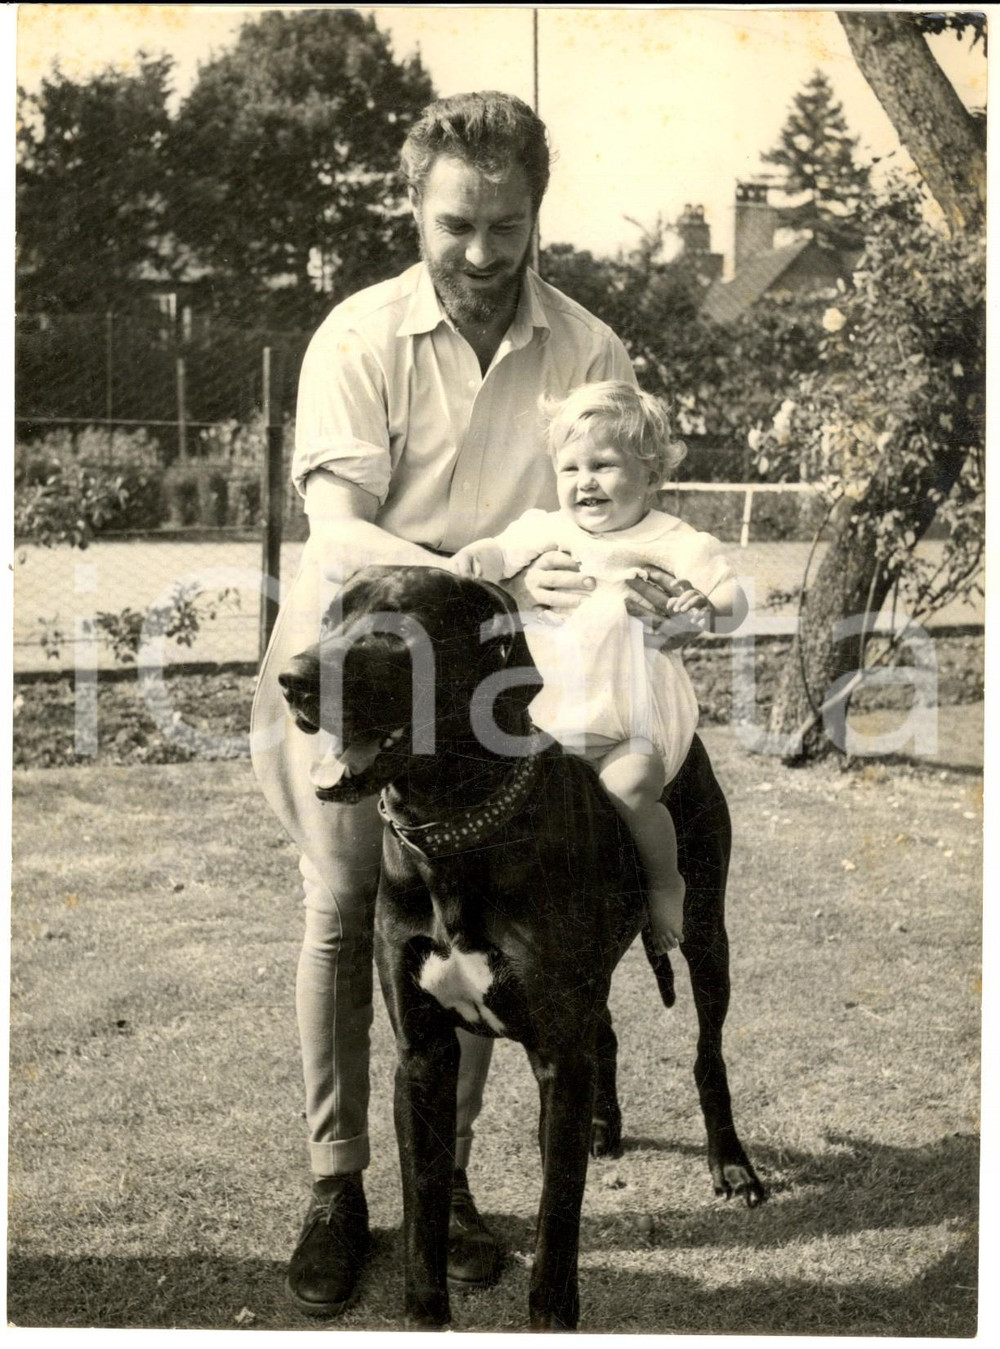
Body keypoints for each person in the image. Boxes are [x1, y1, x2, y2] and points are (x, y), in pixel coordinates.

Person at [250, 91, 694, 1318]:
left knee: (481, 912)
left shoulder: (587, 344)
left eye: (509, 224)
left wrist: (645, 589)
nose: (486, 253)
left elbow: (602, 511)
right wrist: (480, 565)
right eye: (458, 223)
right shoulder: (357, 334)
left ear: (536, 209)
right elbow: (338, 536)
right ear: (413, 206)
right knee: (352, 907)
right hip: (351, 655)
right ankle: (338, 1185)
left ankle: (438, 1193)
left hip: (495, 679)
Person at [451, 381, 746, 953]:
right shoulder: (546, 530)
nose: (584, 481)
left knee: (634, 787)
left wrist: (710, 608)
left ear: (652, 475)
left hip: (629, 721)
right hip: (544, 726)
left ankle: (666, 884)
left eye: (604, 466)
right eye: (570, 468)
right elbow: (497, 552)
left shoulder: (668, 538)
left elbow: (730, 594)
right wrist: (475, 560)